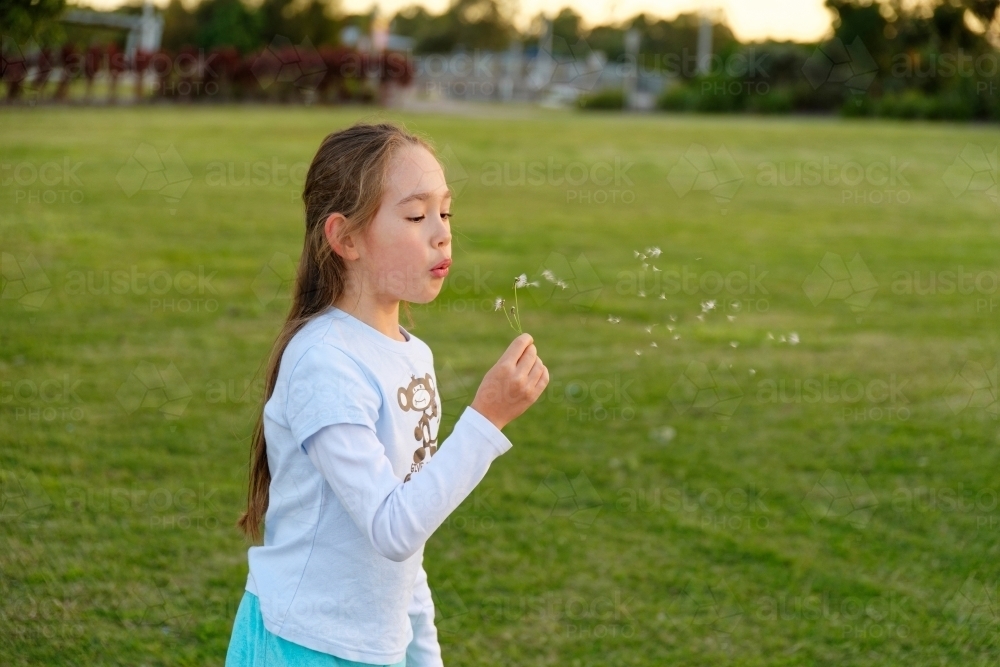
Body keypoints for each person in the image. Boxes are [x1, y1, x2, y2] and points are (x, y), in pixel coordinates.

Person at [226, 122, 549, 666]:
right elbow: (390, 528)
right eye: (417, 215)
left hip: (378, 649)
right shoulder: (324, 361)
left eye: (445, 213)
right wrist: (486, 419)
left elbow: (409, 536)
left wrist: (423, 653)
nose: (442, 233)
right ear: (345, 238)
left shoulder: (411, 354)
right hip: (301, 644)